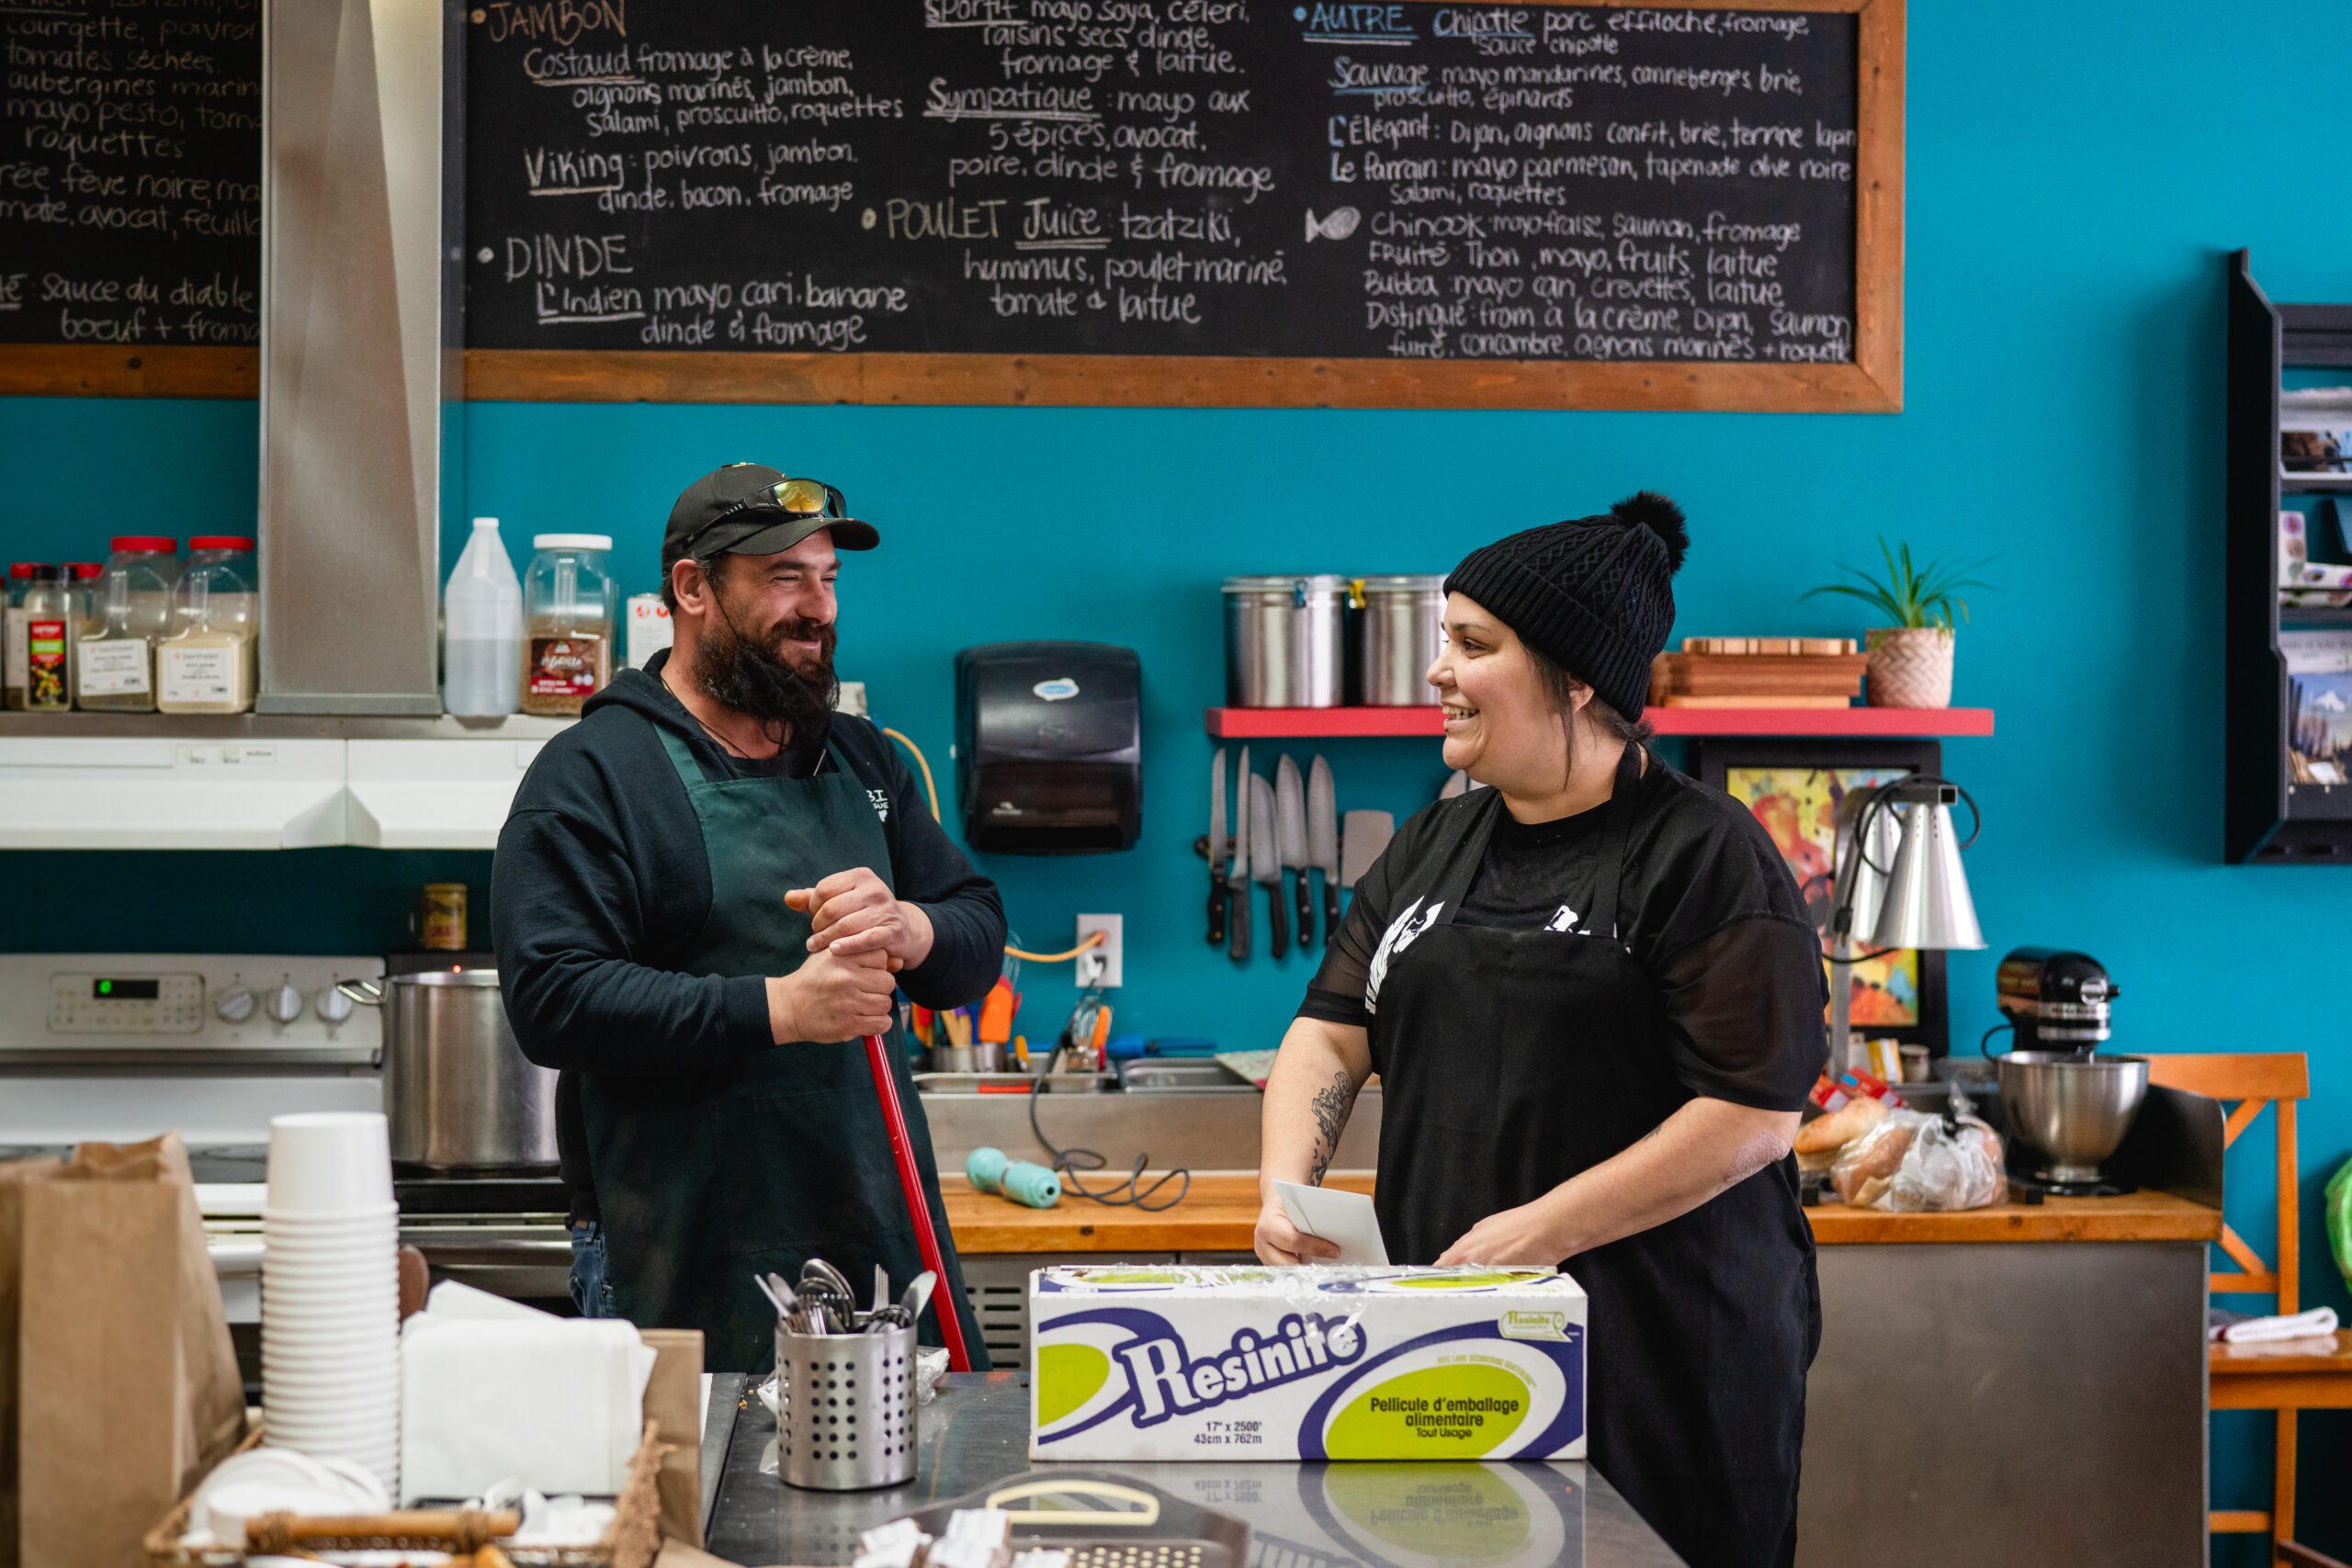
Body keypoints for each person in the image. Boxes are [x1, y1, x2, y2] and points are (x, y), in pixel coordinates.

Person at [1254, 494, 1826, 1568]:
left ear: (1576, 679)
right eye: (1444, 641)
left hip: (1660, 1366)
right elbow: (1331, 1033)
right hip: (1453, 1358)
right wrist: (1288, 1192)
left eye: (1473, 645)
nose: (1439, 672)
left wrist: (1540, 1233)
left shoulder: (1706, 857)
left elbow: (1750, 1116)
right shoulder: (1435, 839)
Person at [492, 464, 1004, 1371]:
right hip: (678, 1248)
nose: (818, 609)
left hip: (870, 1234)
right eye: (783, 577)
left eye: (828, 578)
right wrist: (782, 1010)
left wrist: (910, 930)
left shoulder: (859, 758)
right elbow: (554, 1001)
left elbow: (974, 931)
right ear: (692, 588)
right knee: (696, 1505)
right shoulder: (594, 776)